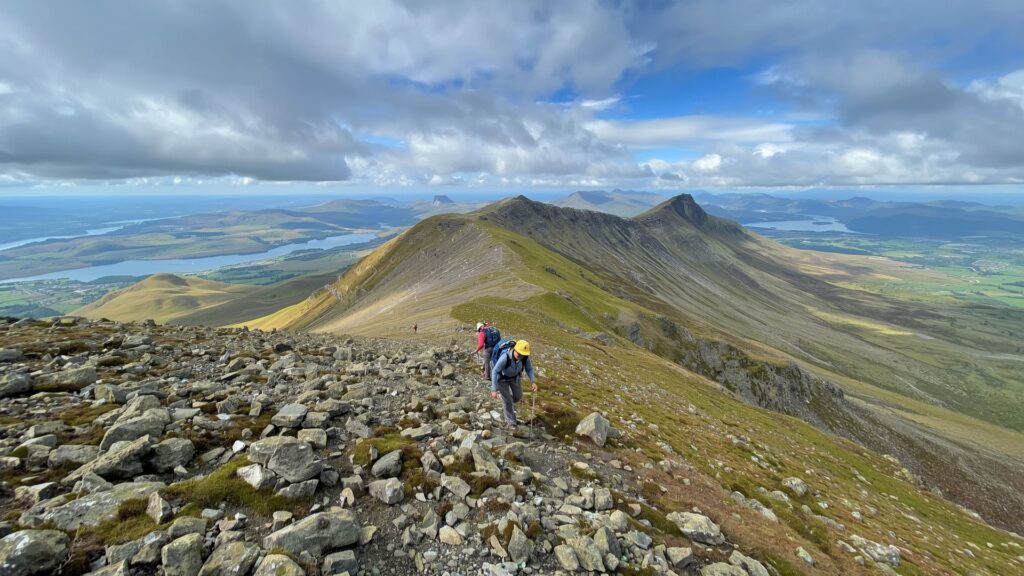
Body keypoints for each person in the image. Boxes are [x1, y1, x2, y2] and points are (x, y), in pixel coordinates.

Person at [490, 339, 537, 430]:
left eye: (522, 354)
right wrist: (494, 389)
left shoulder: (524, 359)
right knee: (508, 401)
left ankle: (508, 405)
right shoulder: (505, 357)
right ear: (514, 349)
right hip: (502, 379)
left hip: (515, 378)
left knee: (518, 397)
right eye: (518, 353)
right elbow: (495, 371)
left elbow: (529, 369)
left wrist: (533, 382)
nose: (520, 356)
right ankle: (511, 423)